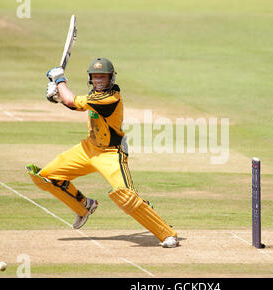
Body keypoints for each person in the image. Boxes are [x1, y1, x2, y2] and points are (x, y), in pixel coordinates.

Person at [26, 57, 179, 248]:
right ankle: (83, 206)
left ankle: (166, 234)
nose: (99, 80)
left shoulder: (110, 97)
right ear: (91, 78)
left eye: (103, 77)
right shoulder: (96, 94)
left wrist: (59, 81)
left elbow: (72, 100)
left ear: (111, 78)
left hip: (111, 154)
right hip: (88, 149)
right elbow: (76, 105)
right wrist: (59, 97)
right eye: (96, 77)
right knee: (46, 177)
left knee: (126, 197)